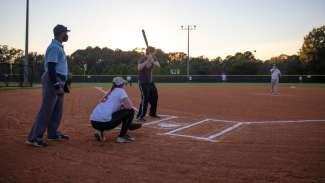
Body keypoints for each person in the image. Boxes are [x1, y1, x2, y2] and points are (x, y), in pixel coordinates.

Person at [26, 25, 71, 147]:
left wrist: (64, 83)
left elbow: (59, 67)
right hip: (53, 79)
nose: (67, 35)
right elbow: (51, 67)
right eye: (66, 32)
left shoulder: (59, 47)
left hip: (59, 79)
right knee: (46, 109)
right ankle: (34, 137)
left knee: (57, 110)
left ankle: (52, 133)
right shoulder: (54, 47)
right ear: (61, 33)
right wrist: (56, 84)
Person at [90, 77, 141, 143]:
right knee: (130, 111)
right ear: (122, 84)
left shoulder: (110, 91)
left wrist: (120, 106)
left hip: (94, 122)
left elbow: (102, 102)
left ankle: (99, 131)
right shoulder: (121, 91)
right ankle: (122, 136)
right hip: (105, 124)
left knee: (105, 114)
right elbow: (129, 107)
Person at [136, 47, 160, 121]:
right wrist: (147, 60)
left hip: (150, 82)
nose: (155, 53)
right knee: (145, 99)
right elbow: (139, 68)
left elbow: (158, 65)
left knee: (155, 96)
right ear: (150, 52)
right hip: (143, 82)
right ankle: (140, 116)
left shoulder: (154, 58)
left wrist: (152, 61)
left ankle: (152, 113)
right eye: (154, 52)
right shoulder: (142, 59)